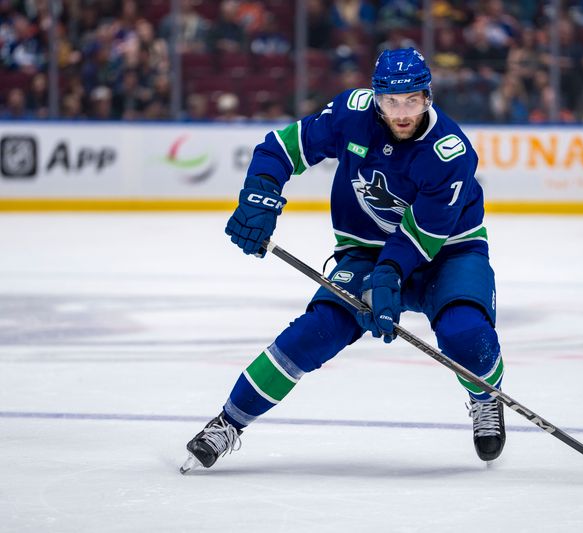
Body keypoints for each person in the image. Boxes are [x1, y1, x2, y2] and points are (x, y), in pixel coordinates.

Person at [181, 48, 506, 473]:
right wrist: (260, 194)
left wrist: (387, 278)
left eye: (412, 100)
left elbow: (420, 237)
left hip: (448, 252)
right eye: (391, 101)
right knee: (315, 332)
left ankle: (486, 396)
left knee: (466, 334)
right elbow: (281, 148)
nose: (401, 112)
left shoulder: (450, 152)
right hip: (367, 252)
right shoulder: (350, 114)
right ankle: (228, 422)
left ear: (428, 97)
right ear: (376, 98)